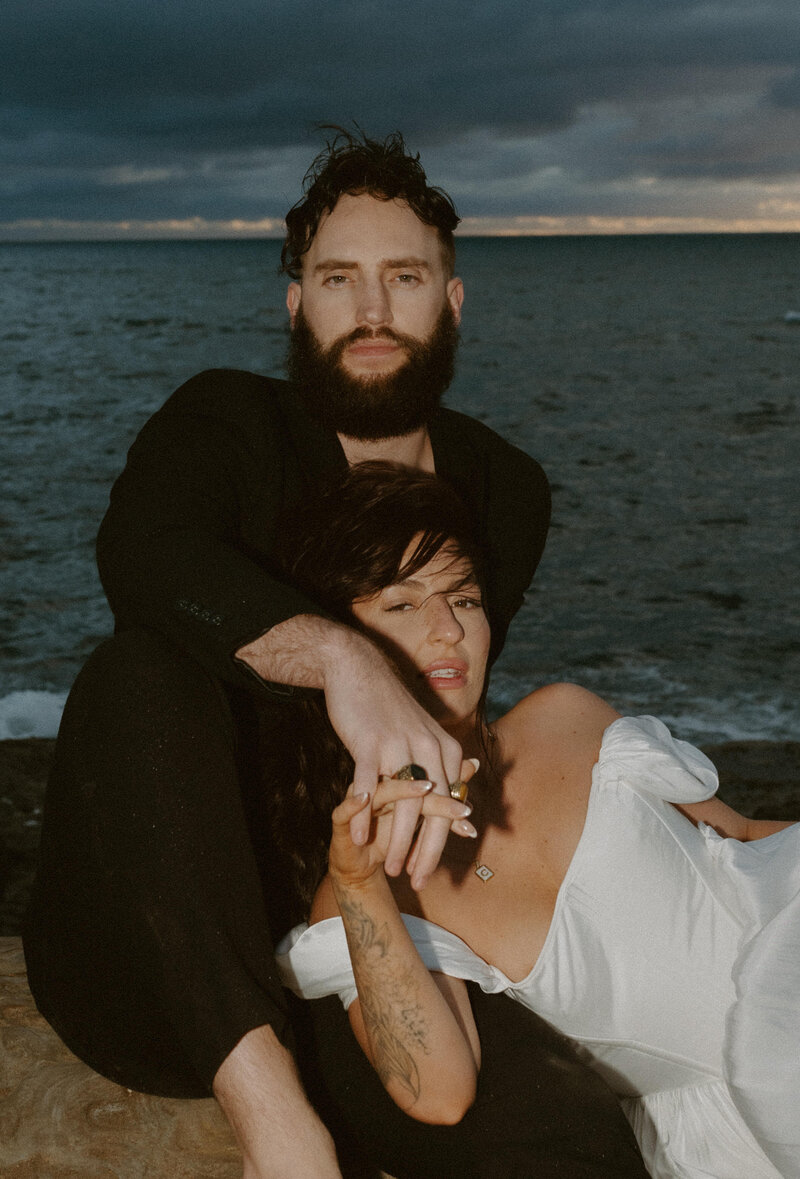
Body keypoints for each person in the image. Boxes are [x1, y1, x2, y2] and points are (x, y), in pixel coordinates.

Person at [23, 129, 649, 1179]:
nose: (369, 311)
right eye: (335, 279)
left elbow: (454, 715)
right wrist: (342, 660)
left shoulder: (505, 491)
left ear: (450, 303)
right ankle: (278, 1128)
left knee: (580, 1137)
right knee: (136, 674)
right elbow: (142, 554)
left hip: (344, 944)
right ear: (293, 305)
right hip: (153, 953)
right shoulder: (226, 423)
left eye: (402, 278)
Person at [274, 462, 800, 1179]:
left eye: (464, 596)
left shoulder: (563, 717)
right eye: (402, 604)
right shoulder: (370, 888)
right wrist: (361, 882)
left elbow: (738, 837)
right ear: (341, 654)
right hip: (747, 1123)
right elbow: (439, 1093)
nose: (449, 627)